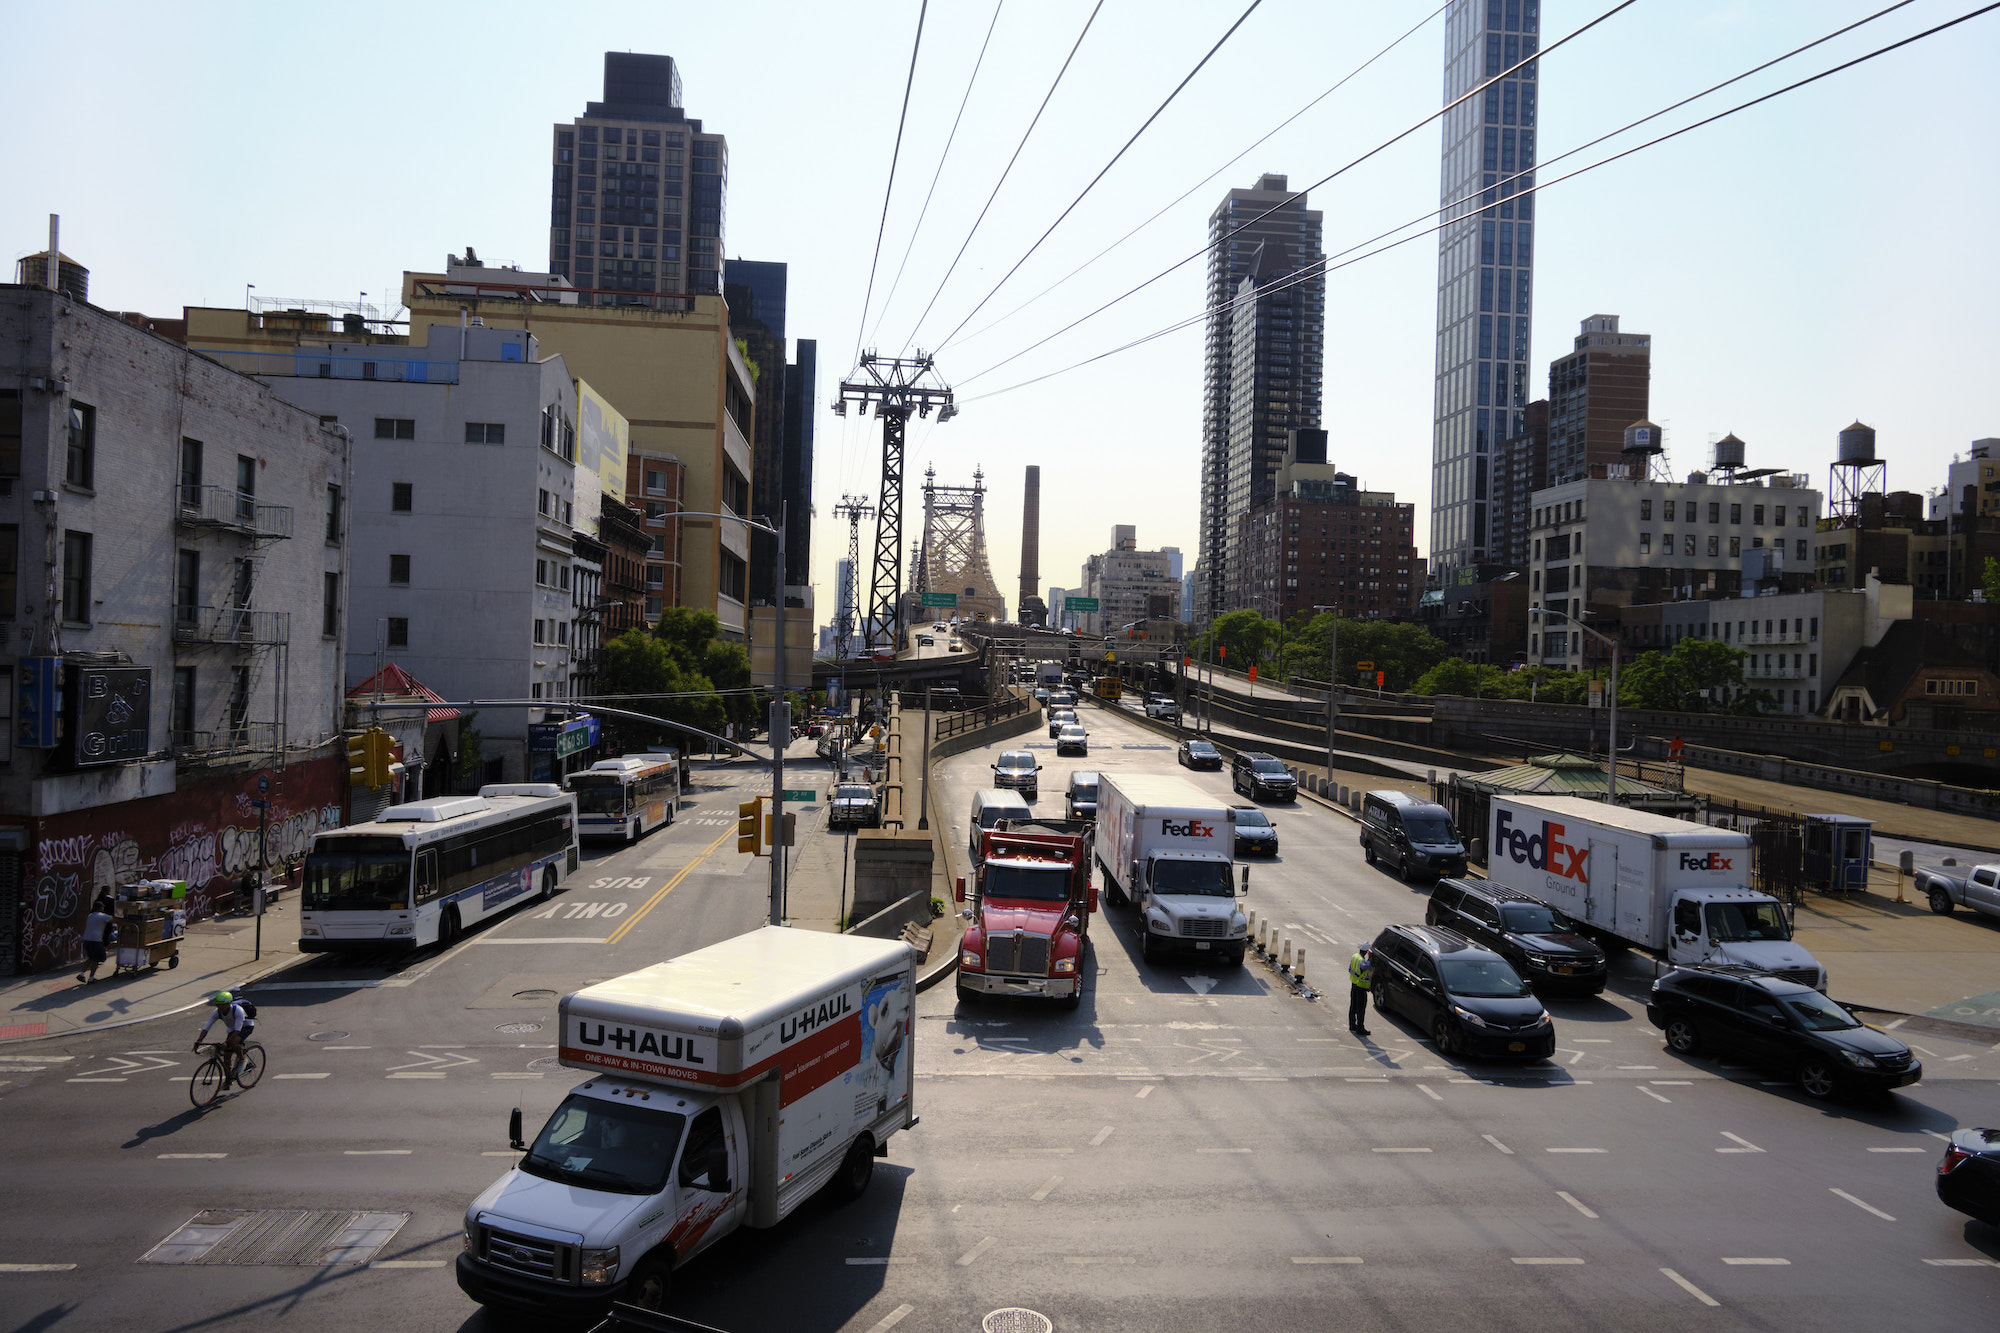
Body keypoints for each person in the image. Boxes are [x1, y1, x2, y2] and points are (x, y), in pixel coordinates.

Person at [194, 991, 255, 1089]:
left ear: (228, 1004)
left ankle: (243, 1059)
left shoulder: (238, 1010)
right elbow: (206, 1028)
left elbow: (238, 1030)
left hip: (245, 1027)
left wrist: (226, 1042)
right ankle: (228, 1080)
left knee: (232, 1042)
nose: (220, 1008)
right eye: (218, 1005)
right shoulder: (216, 1012)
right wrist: (199, 1040)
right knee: (226, 1056)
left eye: (222, 1005)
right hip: (232, 1029)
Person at [78, 896, 117, 985]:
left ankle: (82, 974)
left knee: (92, 958)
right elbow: (114, 920)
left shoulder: (90, 915)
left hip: (87, 940)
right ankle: (91, 978)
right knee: (97, 958)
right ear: (100, 908)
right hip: (95, 941)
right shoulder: (102, 916)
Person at [1347, 944, 1373, 1036]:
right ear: (1366, 952)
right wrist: (1370, 959)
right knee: (1360, 1009)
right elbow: (1364, 967)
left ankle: (1352, 1025)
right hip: (1361, 987)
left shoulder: (1355, 956)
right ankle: (1360, 1028)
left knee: (1353, 1006)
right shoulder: (1362, 960)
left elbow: (1350, 969)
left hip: (1353, 984)